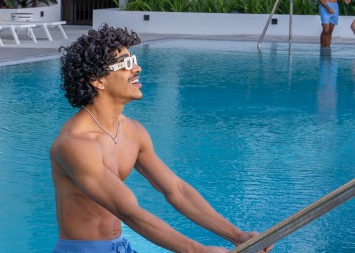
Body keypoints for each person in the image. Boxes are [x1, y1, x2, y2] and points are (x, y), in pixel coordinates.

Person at [49, 26, 259, 253]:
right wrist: (196, 250)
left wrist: (238, 236)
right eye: (126, 64)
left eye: (134, 60)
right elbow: (128, 210)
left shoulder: (133, 131)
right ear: (98, 80)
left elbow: (176, 190)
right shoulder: (75, 144)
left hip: (121, 247)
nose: (137, 69)